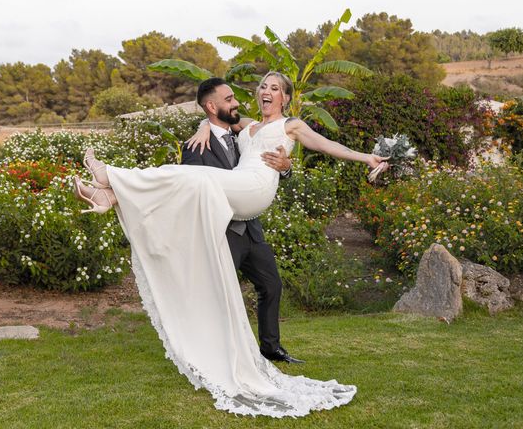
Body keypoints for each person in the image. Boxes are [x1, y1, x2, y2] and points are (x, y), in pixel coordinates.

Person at [73, 72, 388, 417]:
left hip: (253, 189)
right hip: (236, 193)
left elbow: (328, 146)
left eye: (275, 88)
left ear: (285, 97)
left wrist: (366, 158)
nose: (266, 91)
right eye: (263, 86)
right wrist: (202, 126)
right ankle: (109, 195)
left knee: (187, 177)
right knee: (187, 179)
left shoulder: (291, 125)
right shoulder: (247, 126)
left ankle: (111, 180)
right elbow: (219, 117)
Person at [181, 77, 303, 365]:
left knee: (271, 284)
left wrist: (286, 169)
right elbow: (191, 192)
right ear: (212, 106)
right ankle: (207, 353)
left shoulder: (243, 136)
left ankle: (270, 347)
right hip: (224, 232)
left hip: (251, 228)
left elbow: (264, 168)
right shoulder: (195, 147)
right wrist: (202, 127)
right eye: (229, 99)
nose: (236, 103)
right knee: (218, 295)